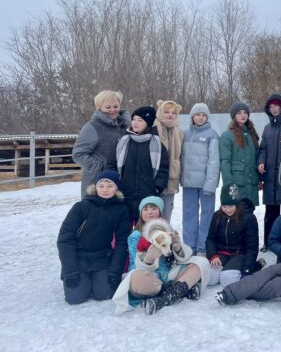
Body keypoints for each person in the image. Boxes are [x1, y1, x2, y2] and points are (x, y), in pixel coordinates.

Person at [112, 196, 210, 314]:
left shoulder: (168, 230)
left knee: (200, 262)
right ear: (141, 213)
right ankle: (180, 290)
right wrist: (149, 258)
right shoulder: (135, 236)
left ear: (160, 211)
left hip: (169, 274)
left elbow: (181, 259)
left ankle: (164, 299)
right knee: (136, 279)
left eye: (154, 208)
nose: (150, 212)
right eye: (146, 209)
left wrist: (177, 248)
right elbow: (134, 266)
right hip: (150, 278)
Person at [57, 170, 130, 305]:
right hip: (79, 258)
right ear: (95, 187)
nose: (105, 190)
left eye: (110, 186)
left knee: (105, 294)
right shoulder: (81, 207)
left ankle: (96, 280)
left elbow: (122, 242)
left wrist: (115, 271)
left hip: (102, 258)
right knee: (75, 298)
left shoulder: (121, 210)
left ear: (116, 188)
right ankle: (82, 280)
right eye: (101, 186)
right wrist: (70, 271)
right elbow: (65, 239)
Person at [73, 90, 131, 199]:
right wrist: (100, 168)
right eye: (108, 107)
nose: (113, 110)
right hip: (99, 183)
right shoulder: (92, 127)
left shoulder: (125, 125)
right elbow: (78, 154)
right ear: (99, 108)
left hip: (120, 181)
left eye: (115, 106)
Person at [116, 106, 170, 222]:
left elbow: (163, 169)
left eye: (140, 120)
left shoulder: (158, 144)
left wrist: (156, 187)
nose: (135, 123)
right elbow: (114, 164)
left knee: (145, 231)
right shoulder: (124, 141)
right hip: (125, 193)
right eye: (134, 119)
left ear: (148, 123)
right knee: (124, 229)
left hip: (148, 193)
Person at [181, 102, 220, 255]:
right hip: (189, 183)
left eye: (204, 115)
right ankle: (190, 246)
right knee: (189, 215)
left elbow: (214, 161)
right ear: (192, 116)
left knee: (207, 215)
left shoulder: (212, 135)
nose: (201, 118)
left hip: (205, 184)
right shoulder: (185, 134)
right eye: (198, 114)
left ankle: (204, 246)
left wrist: (210, 184)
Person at [258, 94, 281, 252]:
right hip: (270, 177)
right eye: (271, 107)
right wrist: (261, 162)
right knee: (271, 212)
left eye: (276, 106)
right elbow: (263, 149)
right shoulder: (267, 128)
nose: (274, 109)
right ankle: (268, 242)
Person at [205, 183, 259, 287]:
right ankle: (226, 269)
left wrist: (248, 267)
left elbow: (252, 246)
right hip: (222, 254)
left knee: (227, 279)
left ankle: (256, 266)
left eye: (231, 206)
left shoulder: (249, 218)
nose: (227, 210)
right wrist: (213, 255)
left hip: (239, 255)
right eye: (224, 206)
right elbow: (210, 239)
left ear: (237, 204)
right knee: (210, 278)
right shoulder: (217, 216)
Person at [220, 102, 260, 205]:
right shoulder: (227, 136)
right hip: (237, 184)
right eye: (239, 113)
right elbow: (225, 161)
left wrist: (259, 179)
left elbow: (256, 158)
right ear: (234, 116)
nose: (243, 115)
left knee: (249, 215)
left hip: (251, 184)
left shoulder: (252, 134)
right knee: (237, 215)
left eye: (245, 113)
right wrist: (228, 184)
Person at [153, 100, 184, 221]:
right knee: (152, 211)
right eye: (166, 112)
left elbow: (181, 155)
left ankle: (164, 237)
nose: (170, 115)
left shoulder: (179, 132)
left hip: (171, 177)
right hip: (154, 177)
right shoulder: (153, 128)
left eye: (173, 113)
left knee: (166, 212)